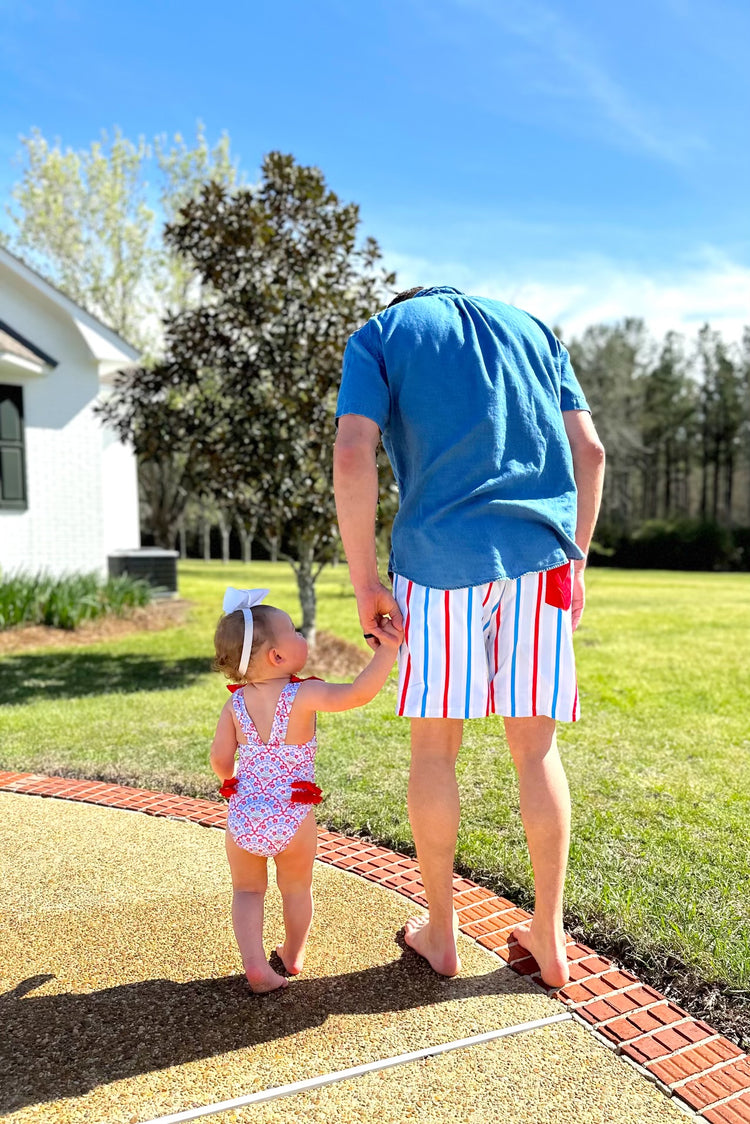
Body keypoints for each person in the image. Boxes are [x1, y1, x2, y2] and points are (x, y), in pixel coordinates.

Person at [333, 285, 605, 988]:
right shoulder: (537, 331)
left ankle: (442, 934)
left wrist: (366, 582)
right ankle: (548, 935)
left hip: (436, 560)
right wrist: (576, 558)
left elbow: (352, 453)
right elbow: (592, 454)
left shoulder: (384, 333)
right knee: (535, 747)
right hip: (543, 558)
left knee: (435, 747)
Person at [209, 585, 402, 993]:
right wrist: (386, 652)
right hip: (293, 815)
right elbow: (356, 694)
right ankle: (293, 953)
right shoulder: (303, 694)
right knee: (295, 887)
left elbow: (220, 759)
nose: (302, 637)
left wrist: (231, 782)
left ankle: (256, 966)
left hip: (245, 814)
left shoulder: (235, 704)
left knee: (246, 889)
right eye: (295, 631)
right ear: (277, 656)